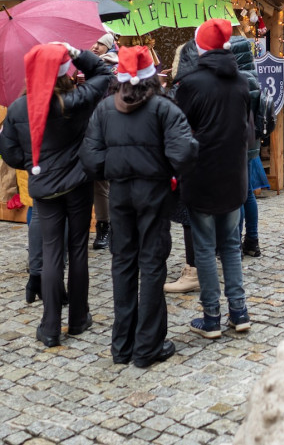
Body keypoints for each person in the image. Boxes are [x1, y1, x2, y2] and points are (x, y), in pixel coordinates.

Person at [80, 45, 198, 367]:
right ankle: (147, 347)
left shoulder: (105, 109)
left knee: (123, 264)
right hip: (154, 195)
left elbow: (90, 157)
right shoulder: (164, 108)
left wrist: (116, 167)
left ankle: (123, 346)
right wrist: (160, 167)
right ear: (151, 75)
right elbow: (183, 153)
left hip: (120, 195)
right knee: (151, 266)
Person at [0, 42, 111, 347]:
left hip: (44, 187)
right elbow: (103, 72)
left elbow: (8, 152)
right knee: (77, 250)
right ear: (65, 72)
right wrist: (75, 52)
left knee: (51, 253)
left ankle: (49, 326)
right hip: (78, 184)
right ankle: (78, 318)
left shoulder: (18, 108)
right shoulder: (77, 100)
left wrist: (35, 163)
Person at [174, 19, 253, 339]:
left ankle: (211, 317)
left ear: (200, 47)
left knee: (205, 248)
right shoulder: (242, 82)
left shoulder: (192, 84)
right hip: (234, 175)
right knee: (231, 246)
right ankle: (239, 311)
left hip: (202, 175)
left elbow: (180, 129)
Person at [163, 39, 202, 294]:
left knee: (190, 215)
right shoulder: (210, 83)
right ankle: (204, 261)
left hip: (189, 159)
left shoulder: (182, 89)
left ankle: (193, 269)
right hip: (210, 158)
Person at [230, 35, 267, 258]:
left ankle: (237, 241)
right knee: (247, 193)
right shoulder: (252, 76)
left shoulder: (240, 79)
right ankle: (251, 240)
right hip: (252, 141)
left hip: (239, 142)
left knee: (240, 194)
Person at [90, 32, 119, 251]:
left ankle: (109, 226)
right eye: (94, 42)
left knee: (106, 181)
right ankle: (104, 225)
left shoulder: (114, 68)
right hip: (94, 132)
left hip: (110, 132)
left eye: (100, 43)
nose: (95, 46)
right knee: (100, 182)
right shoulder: (91, 66)